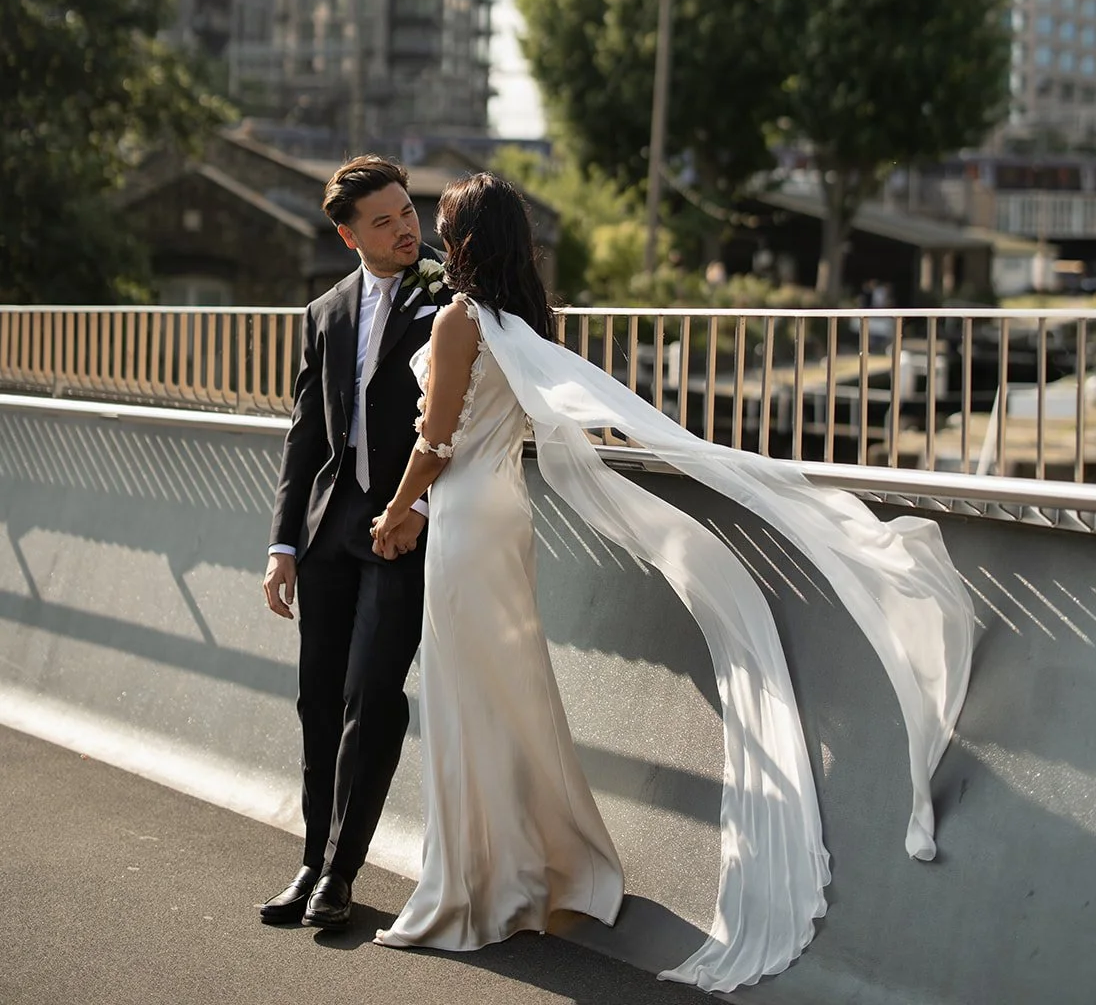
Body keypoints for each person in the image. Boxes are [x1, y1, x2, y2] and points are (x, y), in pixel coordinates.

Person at [369, 174, 975, 992]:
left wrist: (396, 512)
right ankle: (535, 872)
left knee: (467, 697)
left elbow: (435, 444)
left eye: (442, 224)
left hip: (465, 520)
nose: (435, 236)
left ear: (467, 241)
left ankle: (476, 890)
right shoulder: (520, 322)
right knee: (507, 694)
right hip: (505, 515)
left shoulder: (457, 321)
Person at [259, 155, 448, 930]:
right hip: (330, 532)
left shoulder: (448, 297)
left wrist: (419, 505)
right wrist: (281, 547)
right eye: (385, 220)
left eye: (408, 211)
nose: (406, 227)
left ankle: (342, 871)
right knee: (317, 700)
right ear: (348, 236)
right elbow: (306, 438)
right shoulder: (325, 311)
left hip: (406, 527)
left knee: (372, 699)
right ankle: (308, 859)